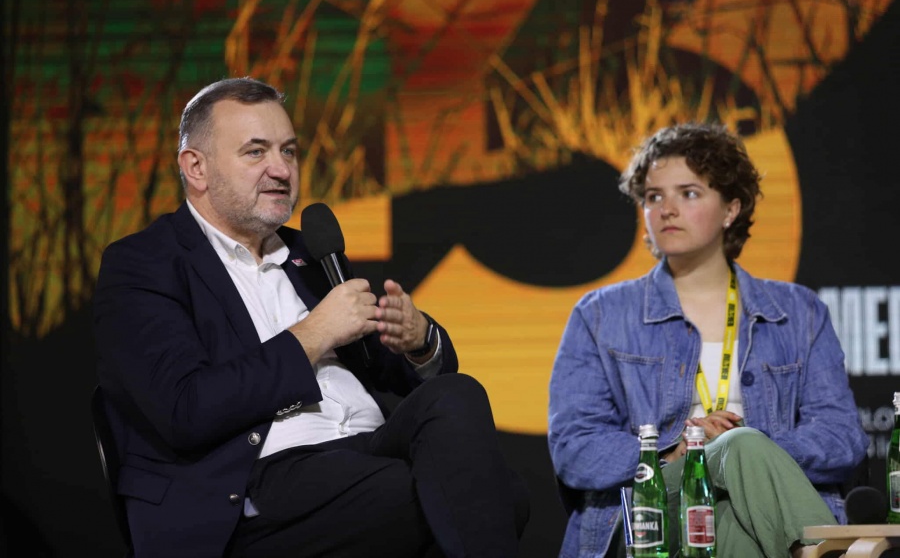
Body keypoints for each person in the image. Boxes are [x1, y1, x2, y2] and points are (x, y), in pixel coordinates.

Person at [93, 76, 529, 558]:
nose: (281, 169)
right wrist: (314, 333)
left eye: (289, 151)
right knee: (488, 499)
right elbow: (185, 410)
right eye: (256, 152)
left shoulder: (311, 254)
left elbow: (392, 368)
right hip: (261, 482)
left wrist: (418, 342)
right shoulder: (145, 264)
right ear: (196, 167)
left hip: (365, 450)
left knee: (455, 395)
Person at [547, 122, 868, 558]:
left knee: (732, 516)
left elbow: (841, 437)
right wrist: (679, 448)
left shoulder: (798, 311)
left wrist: (745, 448)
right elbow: (574, 446)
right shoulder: (600, 314)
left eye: (688, 193)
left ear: (731, 209)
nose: (667, 210)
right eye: (653, 196)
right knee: (735, 453)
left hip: (756, 510)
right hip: (656, 506)